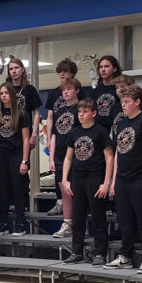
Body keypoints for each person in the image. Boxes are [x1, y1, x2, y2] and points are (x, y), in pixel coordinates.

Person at [104, 85, 142, 273]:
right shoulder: (122, 123)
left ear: (137, 102)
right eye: (122, 102)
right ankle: (125, 256)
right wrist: (113, 179)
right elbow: (118, 152)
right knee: (124, 219)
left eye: (127, 102)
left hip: (140, 177)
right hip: (123, 178)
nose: (123, 105)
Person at [62, 98, 114, 266]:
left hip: (95, 177)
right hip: (77, 178)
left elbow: (109, 157)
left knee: (98, 217)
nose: (81, 114)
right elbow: (68, 157)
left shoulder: (100, 132)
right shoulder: (74, 132)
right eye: (79, 112)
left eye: (84, 112)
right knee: (77, 218)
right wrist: (65, 179)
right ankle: (76, 252)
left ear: (94, 113)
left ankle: (100, 252)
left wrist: (106, 182)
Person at [0, 82, 31, 236]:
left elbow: (26, 139)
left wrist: (25, 160)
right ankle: (3, 223)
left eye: (6, 93)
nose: (4, 95)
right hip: (1, 155)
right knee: (4, 190)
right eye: (1, 93)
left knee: (18, 189)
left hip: (17, 154)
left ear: (12, 95)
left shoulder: (21, 114)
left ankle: (20, 223)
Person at [44, 58, 80, 215]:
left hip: (73, 145)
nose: (62, 74)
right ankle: (60, 204)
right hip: (58, 135)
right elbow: (50, 117)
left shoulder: (80, 96)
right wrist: (49, 137)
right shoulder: (54, 94)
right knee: (59, 175)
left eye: (65, 71)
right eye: (60, 71)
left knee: (73, 183)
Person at [48, 78, 80, 238]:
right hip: (60, 157)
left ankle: (81, 224)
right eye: (63, 90)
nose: (65, 92)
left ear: (77, 90)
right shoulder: (59, 111)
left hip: (76, 157)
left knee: (77, 192)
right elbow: (54, 135)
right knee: (64, 192)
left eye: (69, 89)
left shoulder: (80, 109)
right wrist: (51, 158)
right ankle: (67, 223)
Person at [7, 57, 42, 148]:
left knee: (23, 160)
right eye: (11, 69)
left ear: (22, 70)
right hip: (8, 132)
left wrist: (34, 134)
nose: (14, 71)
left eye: (16, 68)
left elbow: (37, 113)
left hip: (25, 132)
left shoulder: (30, 89)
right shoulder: (6, 89)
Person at [92, 55, 122, 130]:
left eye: (106, 66)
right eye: (101, 67)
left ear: (114, 69)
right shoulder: (95, 91)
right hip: (98, 129)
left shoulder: (119, 89)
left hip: (116, 128)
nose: (103, 70)